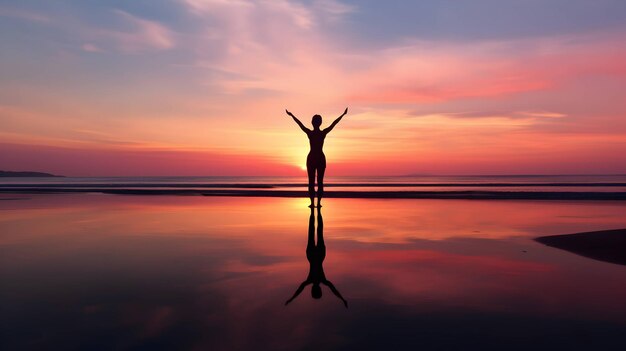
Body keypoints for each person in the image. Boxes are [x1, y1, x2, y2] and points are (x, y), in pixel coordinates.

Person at [285, 207, 348, 307]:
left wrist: (292, 299)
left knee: (317, 230)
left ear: (319, 290)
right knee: (315, 230)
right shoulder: (318, 280)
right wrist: (342, 299)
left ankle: (316, 209)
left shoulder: (317, 280)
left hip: (316, 255)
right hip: (315, 255)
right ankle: (316, 209)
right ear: (314, 290)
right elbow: (333, 289)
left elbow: (300, 289)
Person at [286, 107, 348, 208]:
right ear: (320, 123)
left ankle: (313, 203)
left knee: (312, 182)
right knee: (319, 182)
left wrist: (292, 115)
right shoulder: (322, 133)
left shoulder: (311, 133)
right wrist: (343, 114)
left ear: (312, 122)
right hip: (319, 158)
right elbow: (334, 124)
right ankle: (318, 203)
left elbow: (300, 124)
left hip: (313, 158)